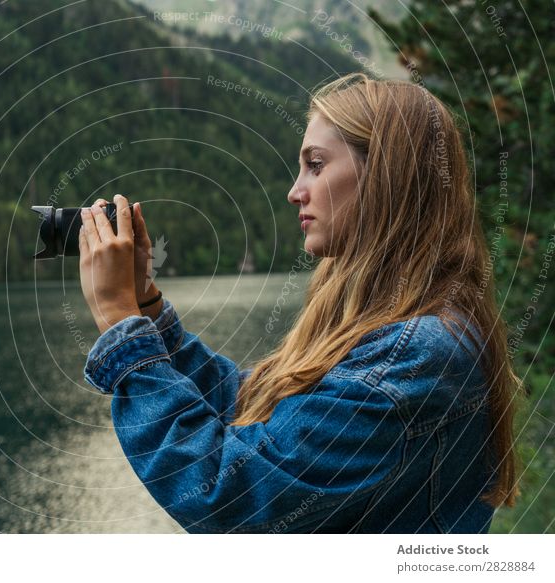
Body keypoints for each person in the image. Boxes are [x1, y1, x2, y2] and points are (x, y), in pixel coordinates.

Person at [76, 73, 524, 534]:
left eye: (315, 164)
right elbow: (253, 407)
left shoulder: (414, 356)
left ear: (387, 175)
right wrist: (145, 308)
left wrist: (119, 322)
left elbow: (230, 495)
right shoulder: (399, 329)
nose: (295, 191)